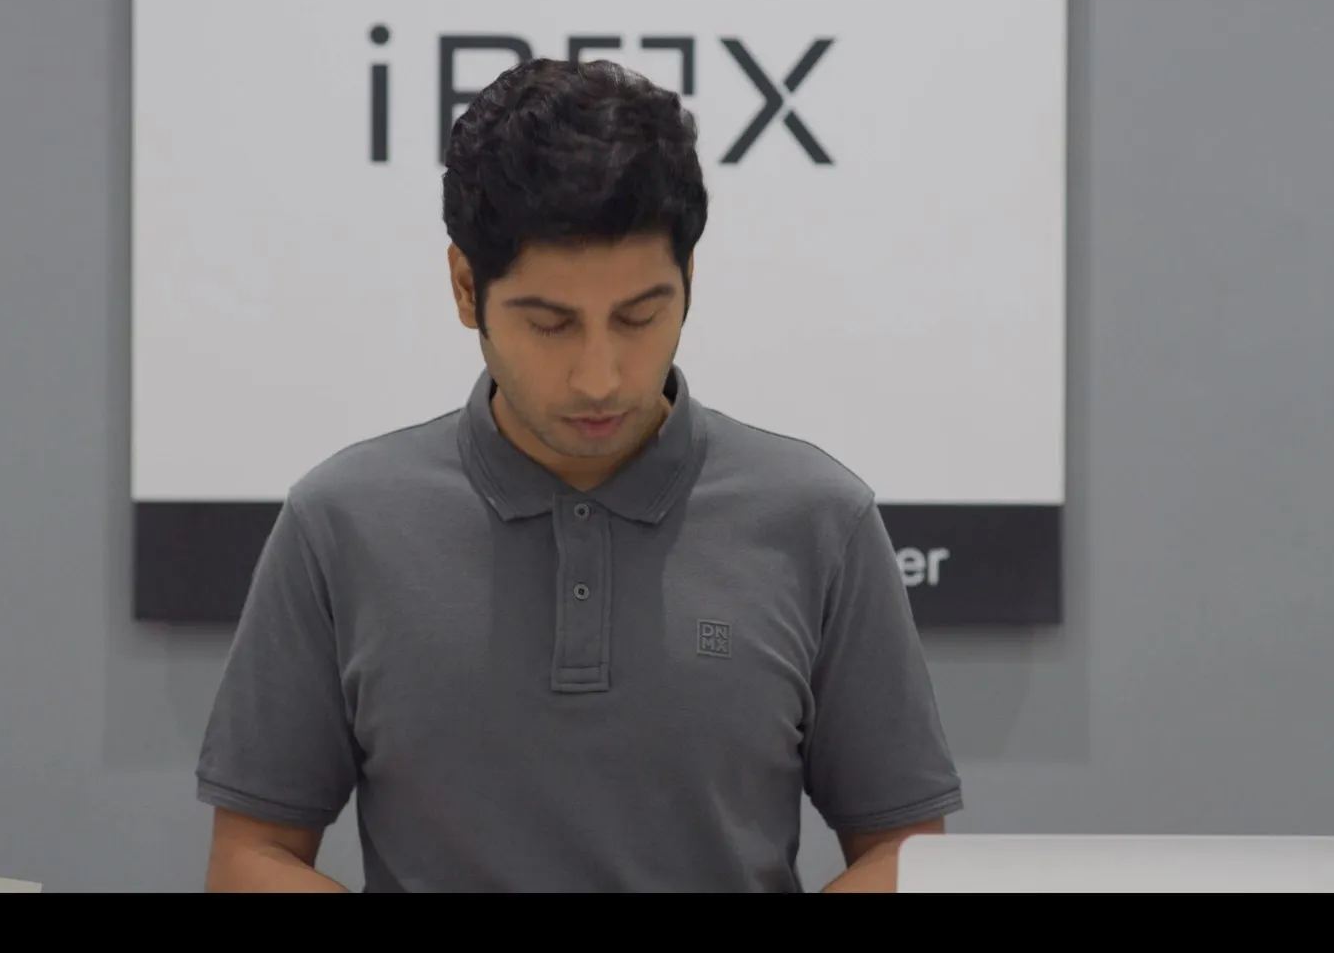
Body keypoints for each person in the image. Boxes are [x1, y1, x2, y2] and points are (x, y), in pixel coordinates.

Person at [195, 57, 961, 893]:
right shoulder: (339, 523)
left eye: (639, 317)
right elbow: (251, 857)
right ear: (466, 287)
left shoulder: (821, 519)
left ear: (689, 283)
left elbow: (905, 854)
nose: (600, 378)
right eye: (550, 324)